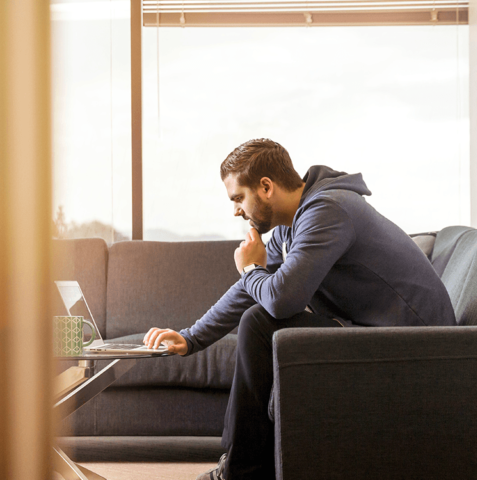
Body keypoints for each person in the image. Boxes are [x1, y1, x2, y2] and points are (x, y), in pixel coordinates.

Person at [143, 138, 456, 480]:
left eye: (238, 198)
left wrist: (251, 269)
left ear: (265, 187)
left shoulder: (328, 210)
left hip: (418, 346)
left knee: (262, 322)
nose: (235, 211)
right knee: (258, 317)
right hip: (375, 333)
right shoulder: (294, 227)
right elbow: (247, 292)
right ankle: (240, 467)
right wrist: (191, 338)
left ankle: (240, 472)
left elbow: (281, 300)